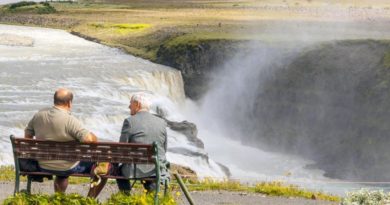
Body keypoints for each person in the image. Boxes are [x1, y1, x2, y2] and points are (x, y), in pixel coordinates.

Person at [24, 88, 106, 198]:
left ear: (54, 100)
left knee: (62, 171)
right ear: (69, 103)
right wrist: (94, 136)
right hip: (67, 166)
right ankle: (89, 200)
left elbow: (28, 136)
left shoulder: (39, 115)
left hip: (42, 164)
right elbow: (89, 139)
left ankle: (59, 197)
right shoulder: (69, 120)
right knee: (105, 167)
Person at [116, 93, 168, 193]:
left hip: (135, 170)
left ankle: (125, 197)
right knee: (148, 167)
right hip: (156, 169)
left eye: (131, 103)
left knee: (117, 170)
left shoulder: (129, 121)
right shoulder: (162, 122)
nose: (129, 106)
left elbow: (121, 149)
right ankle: (151, 194)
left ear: (138, 104)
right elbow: (164, 149)